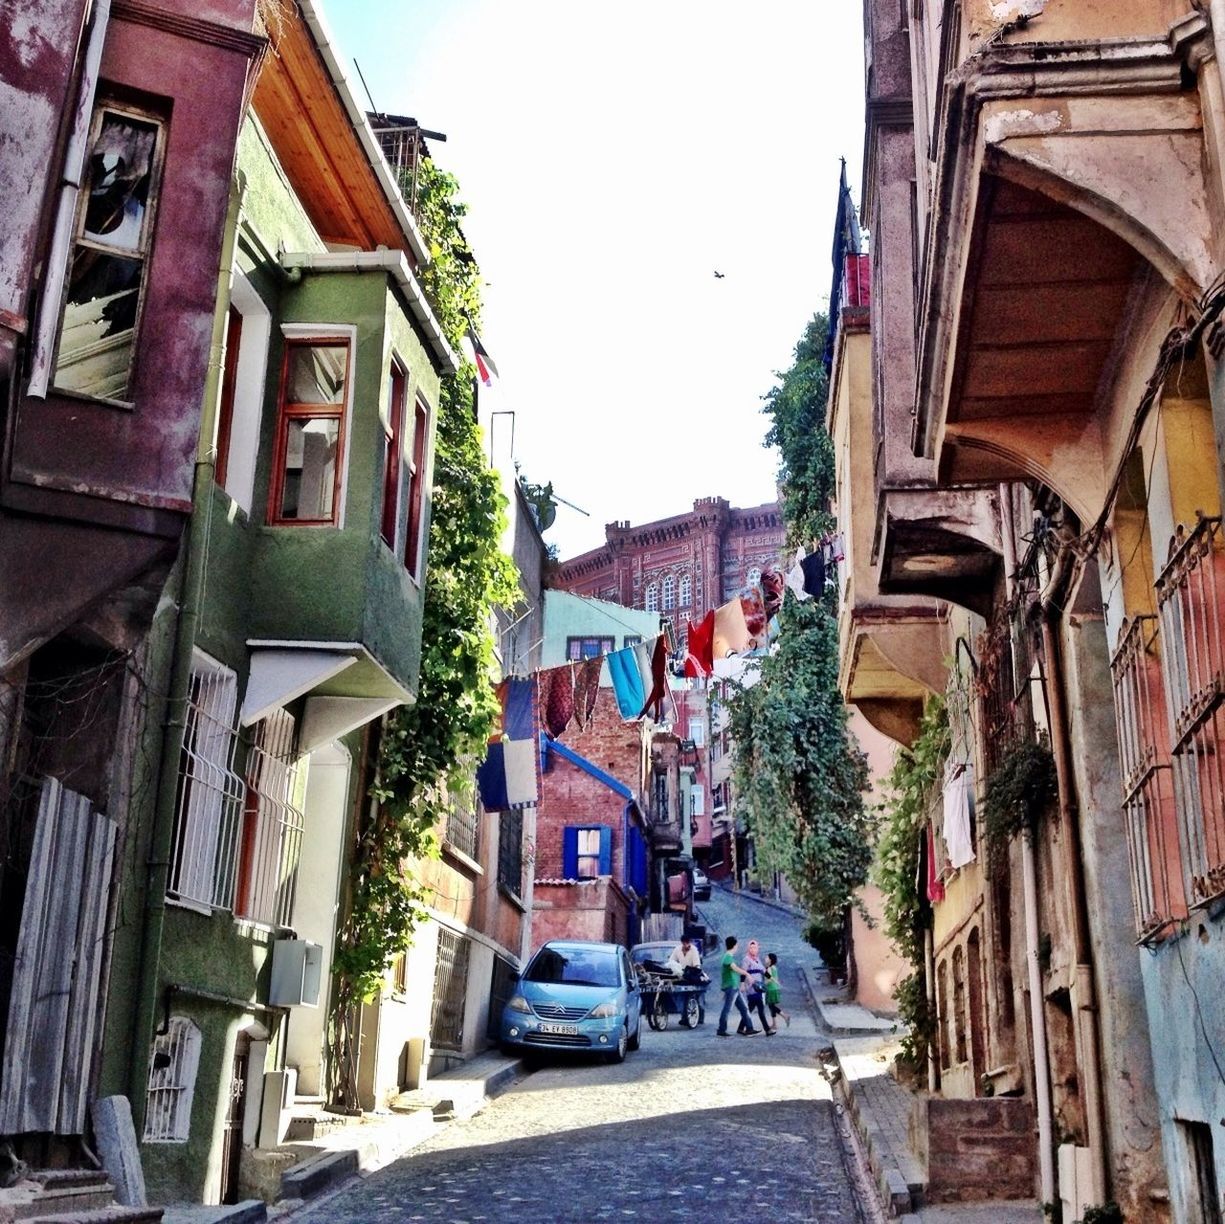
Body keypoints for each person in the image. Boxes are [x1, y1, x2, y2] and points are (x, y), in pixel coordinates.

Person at [716, 935, 757, 1036]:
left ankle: (749, 1028)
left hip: (734, 986)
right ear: (734, 945)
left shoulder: (728, 957)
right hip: (731, 987)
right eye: (737, 945)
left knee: (744, 1008)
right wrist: (747, 974)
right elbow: (734, 968)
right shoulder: (727, 957)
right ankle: (721, 1029)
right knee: (727, 1008)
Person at [741, 939, 773, 1036]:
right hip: (751, 987)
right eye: (751, 947)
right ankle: (767, 1030)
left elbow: (763, 970)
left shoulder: (757, 960)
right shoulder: (746, 959)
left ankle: (740, 1027)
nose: (753, 949)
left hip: (758, 987)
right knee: (759, 1009)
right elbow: (743, 972)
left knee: (750, 1008)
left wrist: (772, 978)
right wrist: (742, 983)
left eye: (755, 947)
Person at [764, 951, 791, 1030]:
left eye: (767, 957)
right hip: (775, 988)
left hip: (771, 989)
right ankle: (775, 1024)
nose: (765, 958)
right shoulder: (774, 967)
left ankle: (785, 1016)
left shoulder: (768, 968)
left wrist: (763, 983)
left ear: (770, 960)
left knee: (771, 1006)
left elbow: (769, 980)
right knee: (772, 1006)